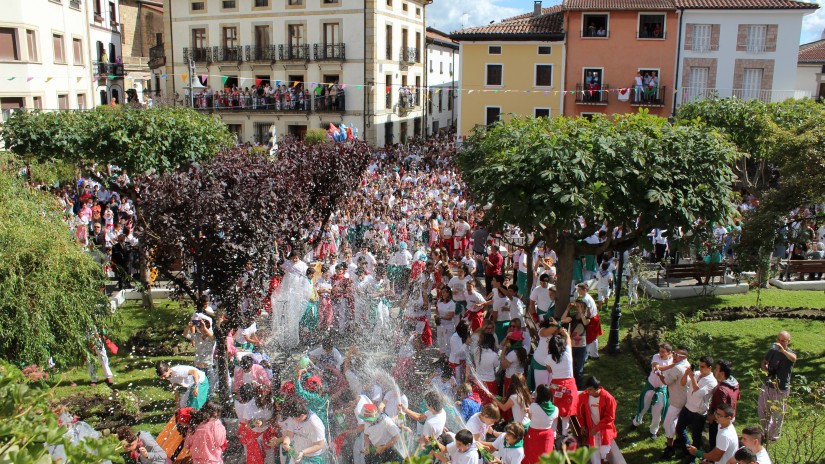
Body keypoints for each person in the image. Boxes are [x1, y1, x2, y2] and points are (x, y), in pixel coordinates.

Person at [758, 330, 796, 442]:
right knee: (762, 409)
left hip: (781, 388)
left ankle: (773, 436)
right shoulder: (772, 351)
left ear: (788, 341)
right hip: (768, 384)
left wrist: (783, 351)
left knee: (777, 413)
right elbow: (764, 361)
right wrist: (765, 368)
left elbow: (793, 358)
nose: (780, 342)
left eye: (783, 340)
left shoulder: (789, 353)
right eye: (778, 339)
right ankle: (765, 431)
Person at [675, 355, 717, 454]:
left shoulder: (712, 382)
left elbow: (698, 394)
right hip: (688, 407)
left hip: (698, 413)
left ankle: (693, 457)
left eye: (703, 367)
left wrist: (692, 377)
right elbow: (683, 383)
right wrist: (686, 374)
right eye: (700, 366)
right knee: (679, 428)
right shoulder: (697, 374)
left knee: (696, 437)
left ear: (710, 368)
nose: (700, 369)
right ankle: (687, 448)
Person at [632, 343, 674, 439]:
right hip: (650, 387)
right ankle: (636, 422)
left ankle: (653, 431)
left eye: (663, 352)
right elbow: (656, 368)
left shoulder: (673, 361)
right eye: (660, 351)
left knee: (657, 412)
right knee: (643, 406)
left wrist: (674, 364)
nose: (660, 353)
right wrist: (671, 366)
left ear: (669, 353)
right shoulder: (656, 357)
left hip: (660, 390)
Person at [544, 325, 578, 440]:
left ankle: (553, 433)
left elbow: (549, 369)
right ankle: (564, 433)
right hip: (569, 385)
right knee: (566, 412)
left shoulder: (549, 358)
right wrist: (565, 333)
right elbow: (568, 340)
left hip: (555, 385)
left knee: (555, 409)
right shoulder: (568, 354)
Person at [577, 376, 617, 464]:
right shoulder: (583, 396)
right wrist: (583, 425)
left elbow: (610, 417)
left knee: (604, 451)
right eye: (587, 389)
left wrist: (596, 428)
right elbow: (580, 413)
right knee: (594, 452)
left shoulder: (608, 398)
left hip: (604, 429)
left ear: (598, 388)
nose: (588, 392)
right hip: (591, 429)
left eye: (590, 390)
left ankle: (603, 460)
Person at [660, 346, 691, 459]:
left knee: (667, 423)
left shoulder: (677, 368)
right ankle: (681, 443)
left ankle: (670, 448)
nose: (673, 356)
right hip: (685, 399)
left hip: (676, 401)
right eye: (673, 353)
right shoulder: (688, 365)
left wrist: (660, 374)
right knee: (677, 423)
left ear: (682, 356)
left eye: (675, 354)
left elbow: (667, 381)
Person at [277, 397, 328, 464]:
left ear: (302, 415)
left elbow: (319, 445)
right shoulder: (293, 417)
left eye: (295, 418)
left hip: (314, 457)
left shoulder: (314, 424)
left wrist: (303, 452)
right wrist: (286, 443)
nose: (293, 420)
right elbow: (289, 434)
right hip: (297, 452)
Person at [708, 359, 739, 446]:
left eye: (717, 369)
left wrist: (712, 417)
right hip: (730, 418)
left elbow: (721, 410)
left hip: (719, 422)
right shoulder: (735, 384)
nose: (715, 371)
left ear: (722, 373)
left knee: (716, 444)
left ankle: (712, 459)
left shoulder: (721, 390)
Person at [523, 384, 558, 464]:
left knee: (531, 456)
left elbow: (530, 417)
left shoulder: (533, 406)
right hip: (547, 435)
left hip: (533, 434)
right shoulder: (556, 409)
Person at [559, 300, 589, 389]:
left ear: (584, 309)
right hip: (571, 346)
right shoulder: (573, 317)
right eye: (578, 306)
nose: (579, 308)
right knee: (571, 367)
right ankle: (572, 386)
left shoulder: (587, 318)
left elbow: (585, 323)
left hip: (581, 347)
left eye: (581, 306)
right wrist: (567, 309)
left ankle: (579, 388)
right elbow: (562, 320)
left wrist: (581, 313)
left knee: (579, 369)